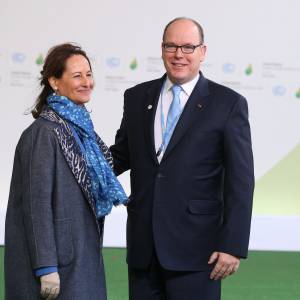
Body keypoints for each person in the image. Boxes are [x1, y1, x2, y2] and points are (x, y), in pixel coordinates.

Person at [110, 17, 254, 300]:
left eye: (188, 47)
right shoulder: (137, 97)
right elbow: (121, 156)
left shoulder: (228, 104)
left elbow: (241, 180)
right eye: (171, 46)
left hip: (199, 252)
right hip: (143, 247)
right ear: (162, 49)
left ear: (203, 51)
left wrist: (233, 245)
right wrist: (74, 162)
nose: (179, 54)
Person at [5, 43, 127, 300]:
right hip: (56, 265)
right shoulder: (43, 133)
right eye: (77, 75)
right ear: (55, 82)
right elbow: (35, 204)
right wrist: (46, 266)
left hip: (80, 258)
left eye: (89, 74)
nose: (87, 82)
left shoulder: (82, 130)